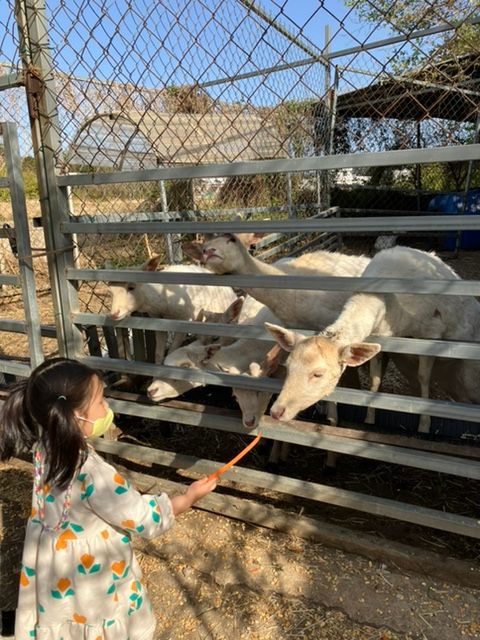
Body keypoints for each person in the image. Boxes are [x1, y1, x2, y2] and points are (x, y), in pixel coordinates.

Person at [0, 357, 217, 640]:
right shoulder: (93, 473)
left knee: (65, 613)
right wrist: (188, 498)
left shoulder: (45, 446)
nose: (107, 409)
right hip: (92, 573)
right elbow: (143, 519)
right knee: (95, 616)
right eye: (101, 402)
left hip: (54, 563)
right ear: (77, 416)